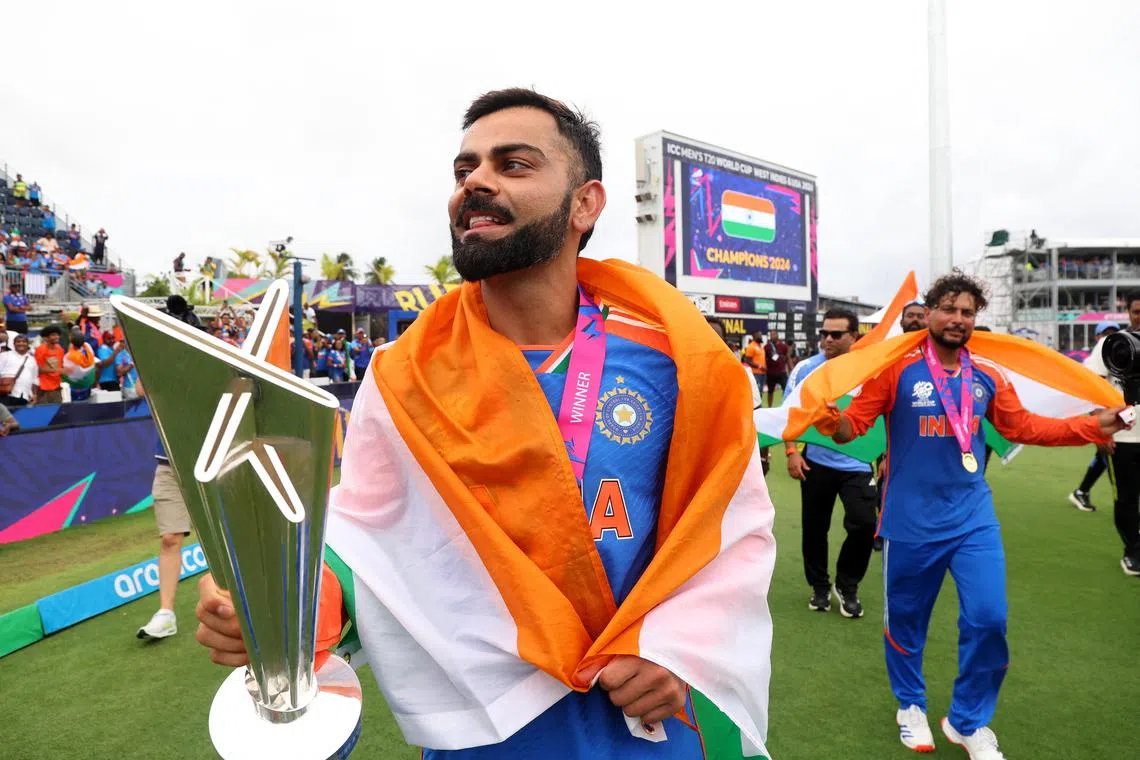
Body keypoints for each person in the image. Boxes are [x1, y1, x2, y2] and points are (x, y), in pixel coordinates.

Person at [193, 88, 776, 759]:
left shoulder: (677, 354)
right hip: (489, 729)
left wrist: (679, 645)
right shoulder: (402, 375)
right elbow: (371, 539)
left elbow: (732, 523)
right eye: (464, 170)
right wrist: (279, 602)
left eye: (515, 165)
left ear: (585, 203)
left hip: (650, 715)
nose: (477, 184)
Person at [823, 272, 1128, 758]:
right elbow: (851, 426)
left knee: (988, 619)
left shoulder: (986, 372)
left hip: (971, 517)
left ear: (974, 320)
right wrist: (827, 419)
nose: (958, 319)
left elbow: (1024, 426)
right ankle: (910, 706)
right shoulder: (897, 368)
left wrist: (1093, 425)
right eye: (949, 309)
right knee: (906, 622)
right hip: (910, 520)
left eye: (967, 312)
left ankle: (967, 720)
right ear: (930, 313)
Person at [784, 308, 876, 618]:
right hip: (817, 463)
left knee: (864, 524)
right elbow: (788, 413)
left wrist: (886, 455)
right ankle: (820, 587)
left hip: (859, 463)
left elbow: (885, 414)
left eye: (836, 334)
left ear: (854, 337)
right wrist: (792, 452)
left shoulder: (870, 370)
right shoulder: (806, 369)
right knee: (814, 528)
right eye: (824, 333)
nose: (827, 339)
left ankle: (847, 586)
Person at [1083, 295, 1140, 574]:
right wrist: (1098, 431)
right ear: (1128, 313)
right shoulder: (1113, 344)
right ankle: (1133, 551)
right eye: (1137, 312)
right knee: (1127, 497)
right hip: (1123, 439)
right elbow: (1089, 385)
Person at [137, 433, 194, 640]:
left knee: (227, 536)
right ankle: (166, 614)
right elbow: (144, 397)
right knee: (170, 538)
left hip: (219, 458)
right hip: (170, 465)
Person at [1068, 321, 1121, 512]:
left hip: (1120, 419)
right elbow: (1090, 394)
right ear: (1096, 337)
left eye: (1113, 332)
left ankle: (1081, 491)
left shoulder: (1119, 353)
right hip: (1104, 418)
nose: (1109, 336)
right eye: (1105, 333)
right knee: (1113, 461)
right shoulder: (1093, 360)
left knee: (1103, 458)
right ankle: (1124, 505)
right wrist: (1097, 422)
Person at [0, 334, 38, 406]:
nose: (21, 343)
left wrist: (34, 395)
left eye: (24, 341)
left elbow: (34, 379)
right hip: (5, 394)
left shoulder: (32, 360)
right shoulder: (4, 356)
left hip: (24, 395)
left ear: (27, 344)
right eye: (18, 342)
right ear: (14, 344)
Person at [33, 325, 65, 404]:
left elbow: (60, 367)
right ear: (46, 338)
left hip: (57, 388)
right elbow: (38, 369)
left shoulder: (60, 349)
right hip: (43, 388)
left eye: (57, 334)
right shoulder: (40, 349)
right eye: (53, 335)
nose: (56, 337)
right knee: (43, 413)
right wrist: (57, 370)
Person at [63, 330, 97, 402]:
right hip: (87, 386)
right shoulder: (88, 349)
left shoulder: (70, 357)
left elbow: (67, 372)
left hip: (74, 388)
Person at [764, 332, 791, 407]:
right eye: (771, 335)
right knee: (770, 391)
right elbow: (764, 358)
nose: (772, 336)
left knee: (786, 390)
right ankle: (769, 407)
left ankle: (786, 406)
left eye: (774, 335)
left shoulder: (783, 346)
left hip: (782, 372)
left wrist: (791, 369)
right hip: (771, 372)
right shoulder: (767, 347)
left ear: (777, 336)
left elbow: (787, 357)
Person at [742, 329, 766, 403]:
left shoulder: (760, 346)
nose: (761, 337)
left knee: (760, 392)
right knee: (756, 393)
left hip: (762, 373)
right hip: (755, 373)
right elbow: (747, 360)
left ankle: (759, 409)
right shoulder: (751, 346)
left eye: (761, 335)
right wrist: (759, 366)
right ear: (754, 336)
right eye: (759, 335)